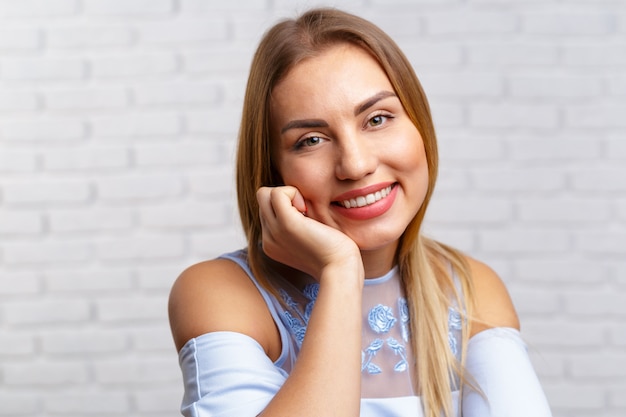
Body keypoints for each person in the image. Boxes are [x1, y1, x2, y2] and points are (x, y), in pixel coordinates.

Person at [168, 7, 552, 417]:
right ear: (273, 169)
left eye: (378, 119)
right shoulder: (218, 292)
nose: (355, 164)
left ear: (419, 125)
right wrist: (339, 272)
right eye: (311, 139)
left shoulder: (468, 288)